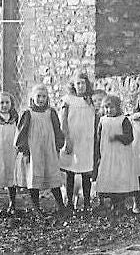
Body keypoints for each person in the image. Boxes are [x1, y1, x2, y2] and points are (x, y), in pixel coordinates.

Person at [15, 84, 66, 213]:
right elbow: (21, 132)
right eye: (38, 96)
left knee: (53, 175)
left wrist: (58, 144)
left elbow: (57, 129)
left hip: (49, 149)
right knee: (34, 177)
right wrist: (25, 149)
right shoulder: (28, 113)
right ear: (33, 97)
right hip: (34, 150)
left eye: (44, 97)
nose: (41, 99)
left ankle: (61, 205)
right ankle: (37, 208)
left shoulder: (51, 112)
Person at [93, 94, 138, 215]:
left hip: (121, 156)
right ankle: (112, 204)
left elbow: (129, 138)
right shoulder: (102, 120)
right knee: (110, 178)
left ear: (118, 107)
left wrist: (118, 137)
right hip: (107, 155)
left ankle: (121, 204)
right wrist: (97, 155)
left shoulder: (123, 120)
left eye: (112, 107)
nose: (109, 110)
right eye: (106, 107)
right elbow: (98, 139)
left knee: (120, 178)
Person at [60, 72, 97, 211]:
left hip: (87, 141)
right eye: (78, 83)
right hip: (73, 139)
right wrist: (66, 139)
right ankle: (69, 202)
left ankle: (87, 202)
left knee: (86, 172)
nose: (81, 86)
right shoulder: (68, 100)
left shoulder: (90, 101)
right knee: (70, 171)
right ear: (74, 85)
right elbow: (63, 121)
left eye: (83, 83)